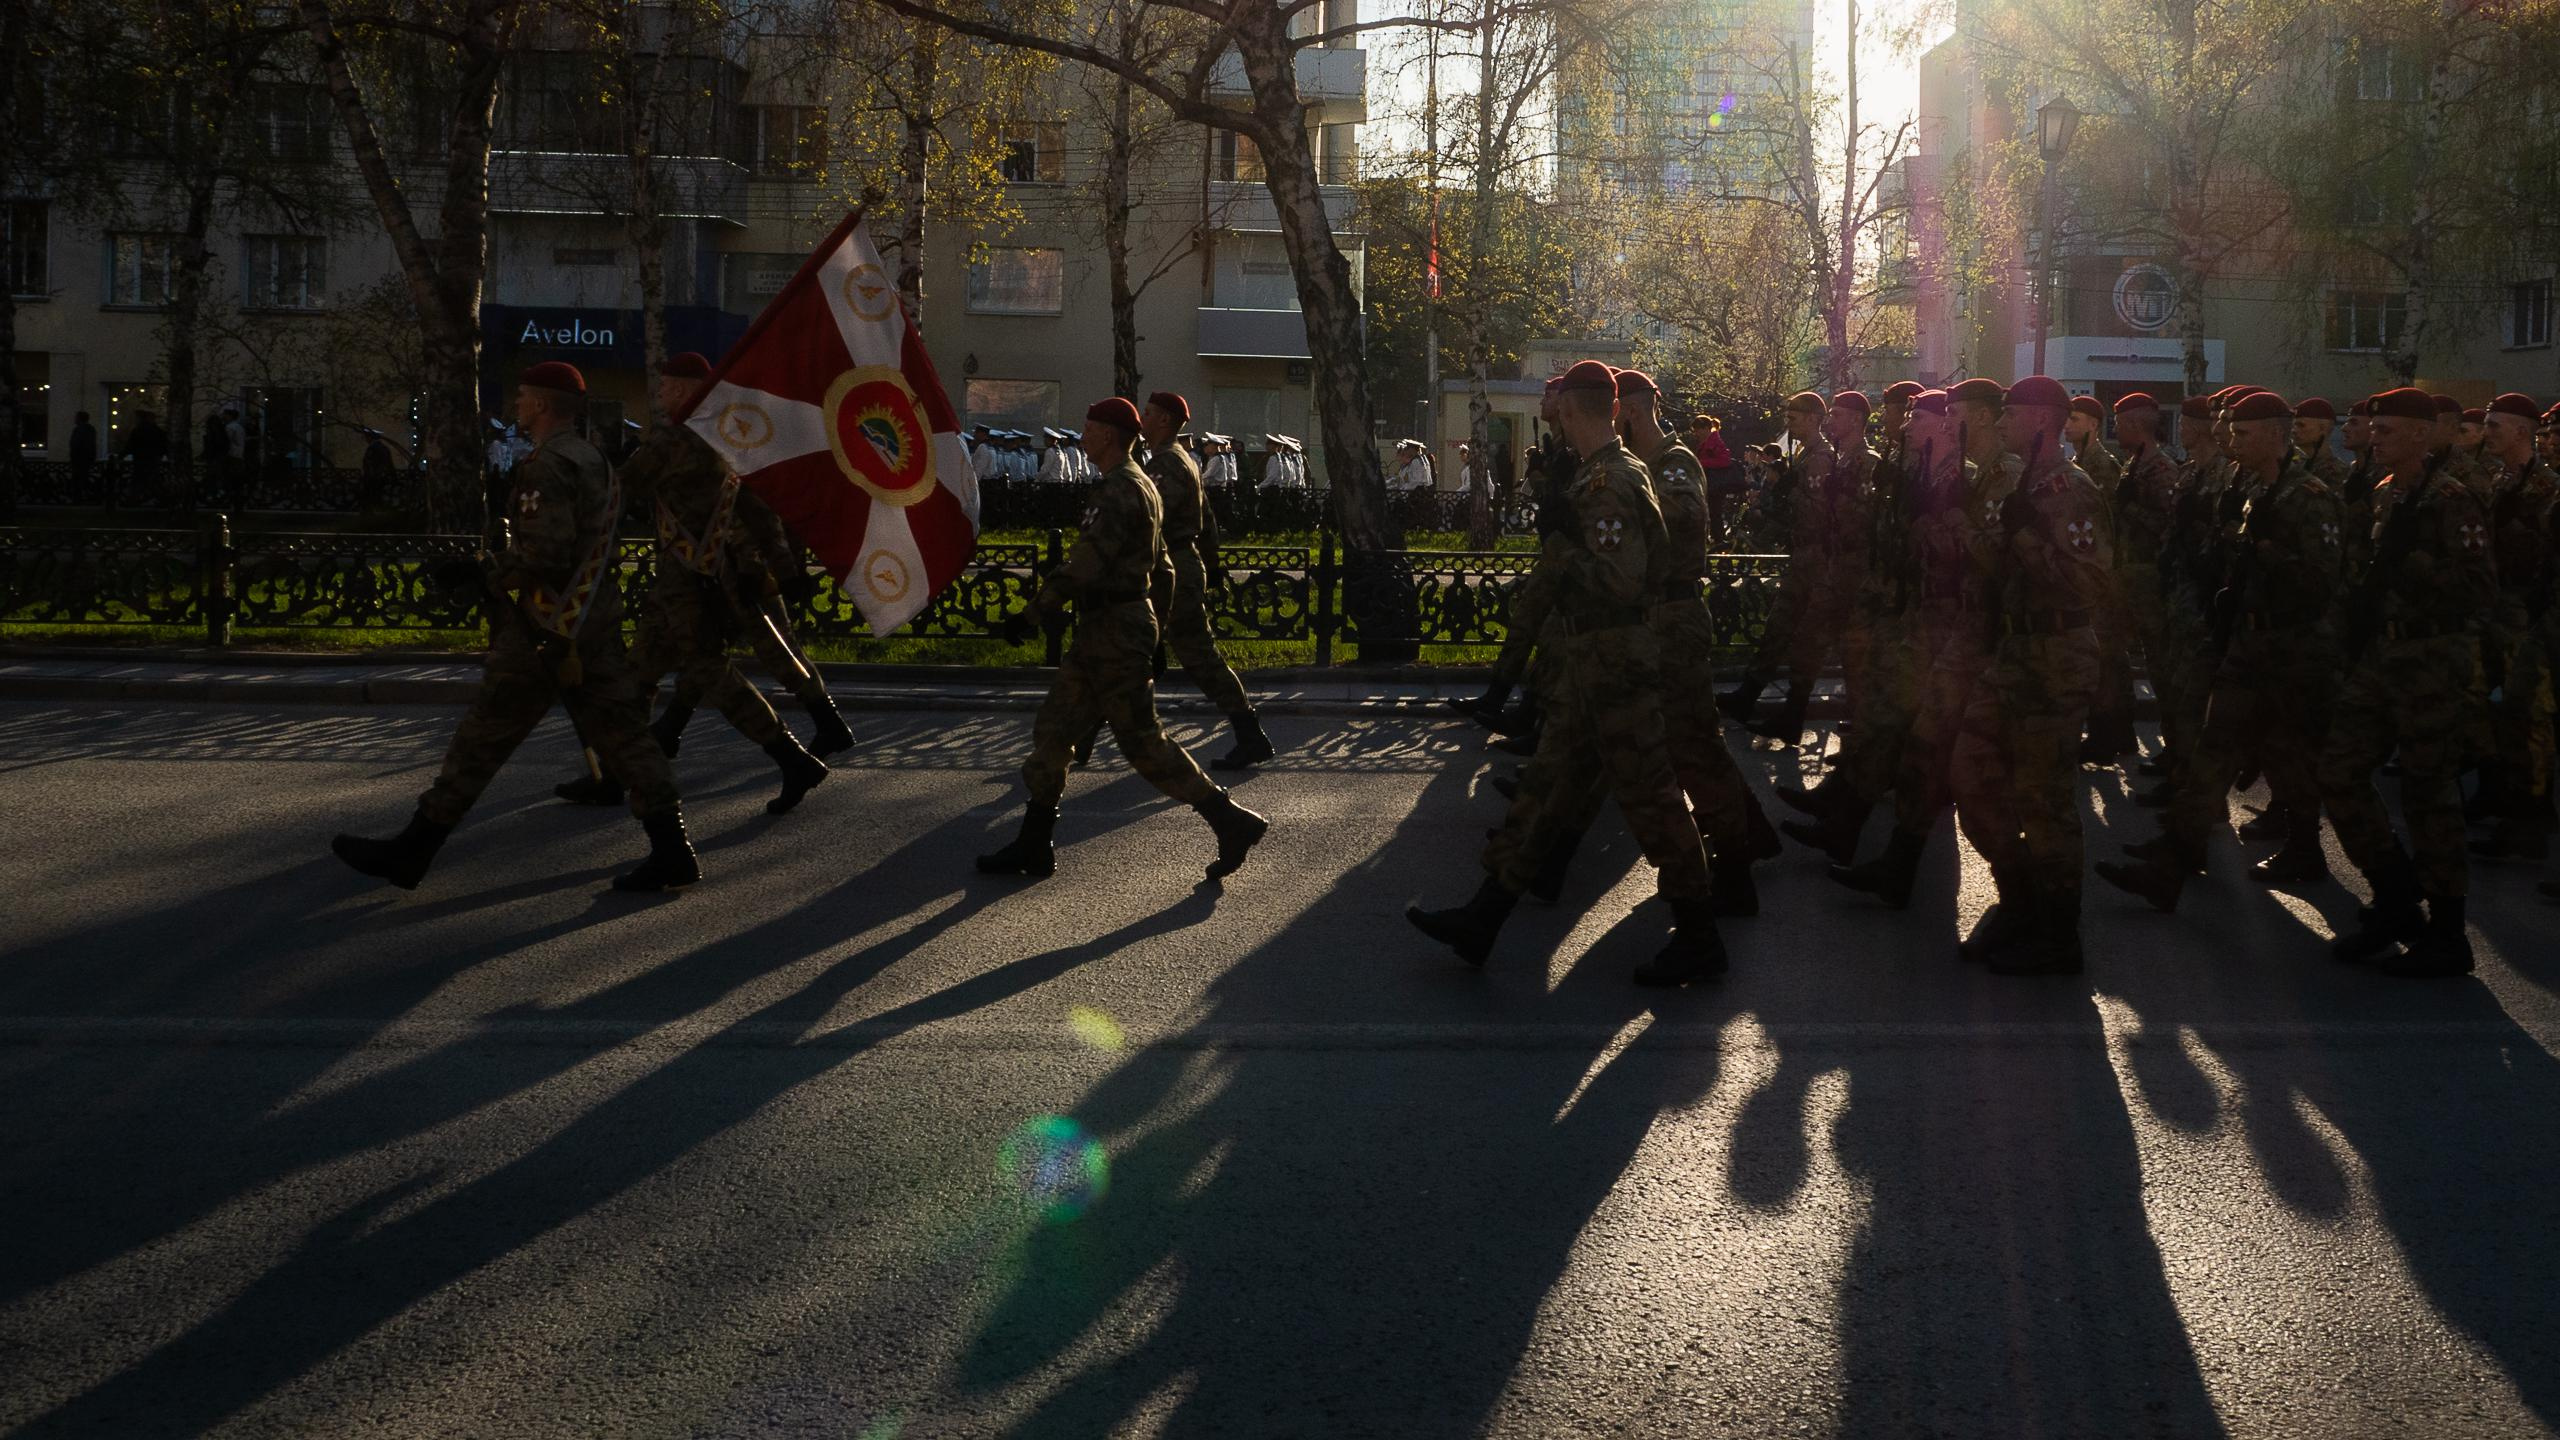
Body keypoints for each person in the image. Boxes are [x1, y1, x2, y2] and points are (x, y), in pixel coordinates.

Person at [1406, 359, 1728, 986]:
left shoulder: (1610, 481)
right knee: (1546, 786)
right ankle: (1484, 916)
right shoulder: (1603, 473)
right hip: (1592, 662)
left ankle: (1700, 936)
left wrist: (1562, 548)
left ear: (1576, 409)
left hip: (1615, 661)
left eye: (1558, 406)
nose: (1551, 414)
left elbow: (1621, 579)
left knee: (1654, 801)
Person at [332, 361, 698, 894]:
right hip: (591, 623)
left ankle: (413, 849)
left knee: (482, 738)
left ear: (545, 404)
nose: (517, 405)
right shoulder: (594, 458)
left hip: (543, 628)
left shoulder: (546, 466)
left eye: (524, 397)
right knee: (628, 737)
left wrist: (484, 571)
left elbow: (546, 555)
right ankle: (673, 849)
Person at [977, 397, 1270, 880]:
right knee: (1055, 731)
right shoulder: (1140, 483)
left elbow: (1088, 563)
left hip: (1113, 630)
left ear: (1108, 435)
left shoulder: (1121, 488)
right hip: (1112, 629)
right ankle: (1033, 843)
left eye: (1088, 427)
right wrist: (1154, 632)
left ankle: (1230, 820)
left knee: (1143, 743)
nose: (1083, 435)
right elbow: (1166, 567)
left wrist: (1032, 614)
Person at [551, 351, 838, 817]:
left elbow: (619, 491)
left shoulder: (676, 439)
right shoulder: (724, 434)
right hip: (689, 579)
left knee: (707, 671)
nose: (661, 393)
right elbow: (756, 507)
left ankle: (792, 759)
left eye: (666, 386)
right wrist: (784, 565)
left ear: (683, 389)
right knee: (639, 672)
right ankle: (611, 773)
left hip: (689, 581)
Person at [2098, 390, 2345, 910]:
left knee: (2289, 754)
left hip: (2293, 646)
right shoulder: (2249, 485)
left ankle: (2311, 851)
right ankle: (2174, 863)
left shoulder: (2310, 494)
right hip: (2247, 641)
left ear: (2275, 436)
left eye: (2243, 433)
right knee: (2212, 752)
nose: (2231, 440)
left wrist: (2264, 550)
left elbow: (2323, 581)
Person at [2317, 386, 2500, 976]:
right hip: (2380, 656)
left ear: (2421, 435)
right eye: (2374, 429)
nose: (2375, 437)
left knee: (2429, 793)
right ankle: (2396, 896)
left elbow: (2481, 588)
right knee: (2339, 771)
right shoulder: (2383, 494)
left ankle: (2448, 933)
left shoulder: (2452, 498)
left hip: (2430, 658)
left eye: (2388, 429)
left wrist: (2419, 568)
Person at [1948, 375, 2110, 975]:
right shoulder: (2020, 481)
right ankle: (2019, 899)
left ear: (2041, 420)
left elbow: (2089, 583)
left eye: (2013, 413)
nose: (2003, 421)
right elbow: (1996, 564)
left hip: (2058, 652)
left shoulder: (2070, 489)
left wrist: (2022, 537)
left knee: (2044, 801)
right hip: (2014, 652)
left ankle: (2058, 932)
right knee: (1970, 772)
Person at [1723, 390, 1871, 745]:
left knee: (1811, 640)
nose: (1788, 424)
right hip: (1807, 557)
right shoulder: (1813, 456)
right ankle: (1752, 696)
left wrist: (1788, 498)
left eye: (1794, 417)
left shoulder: (1826, 458)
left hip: (1824, 562)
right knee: (1780, 627)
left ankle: (1796, 713)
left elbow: (1825, 515)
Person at [1141, 389, 1274, 769]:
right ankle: (1079, 739)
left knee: (1195, 656)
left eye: (1147, 413)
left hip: (1169, 568)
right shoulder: (1183, 459)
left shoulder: (1166, 463)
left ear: (1164, 421)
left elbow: (1151, 523)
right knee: (1137, 653)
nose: (1142, 418)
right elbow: (1209, 521)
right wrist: (1212, 566)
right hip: (1181, 565)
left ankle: (1249, 735)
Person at [2473, 391, 2557, 861]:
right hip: (2499, 610)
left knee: (2530, 716)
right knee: (2502, 714)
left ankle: (2530, 819)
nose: (2487, 434)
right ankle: (2508, 804)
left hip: (2529, 616)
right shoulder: (2502, 480)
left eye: (2494, 426)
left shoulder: (2545, 487)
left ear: (2522, 432)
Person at [360, 430, 396, 509]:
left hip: (374, 477)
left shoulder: (373, 448)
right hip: (379, 476)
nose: (366, 439)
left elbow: (369, 462)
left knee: (372, 495)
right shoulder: (384, 448)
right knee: (377, 495)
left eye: (367, 437)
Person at [68, 411, 98, 496]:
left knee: (78, 479)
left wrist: (73, 457)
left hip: (79, 460)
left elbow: (76, 445)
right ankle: (85, 495)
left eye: (76, 417)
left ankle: (79, 496)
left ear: (79, 418)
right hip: (86, 459)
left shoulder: (79, 429)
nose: (74, 419)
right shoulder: (91, 429)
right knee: (83, 478)